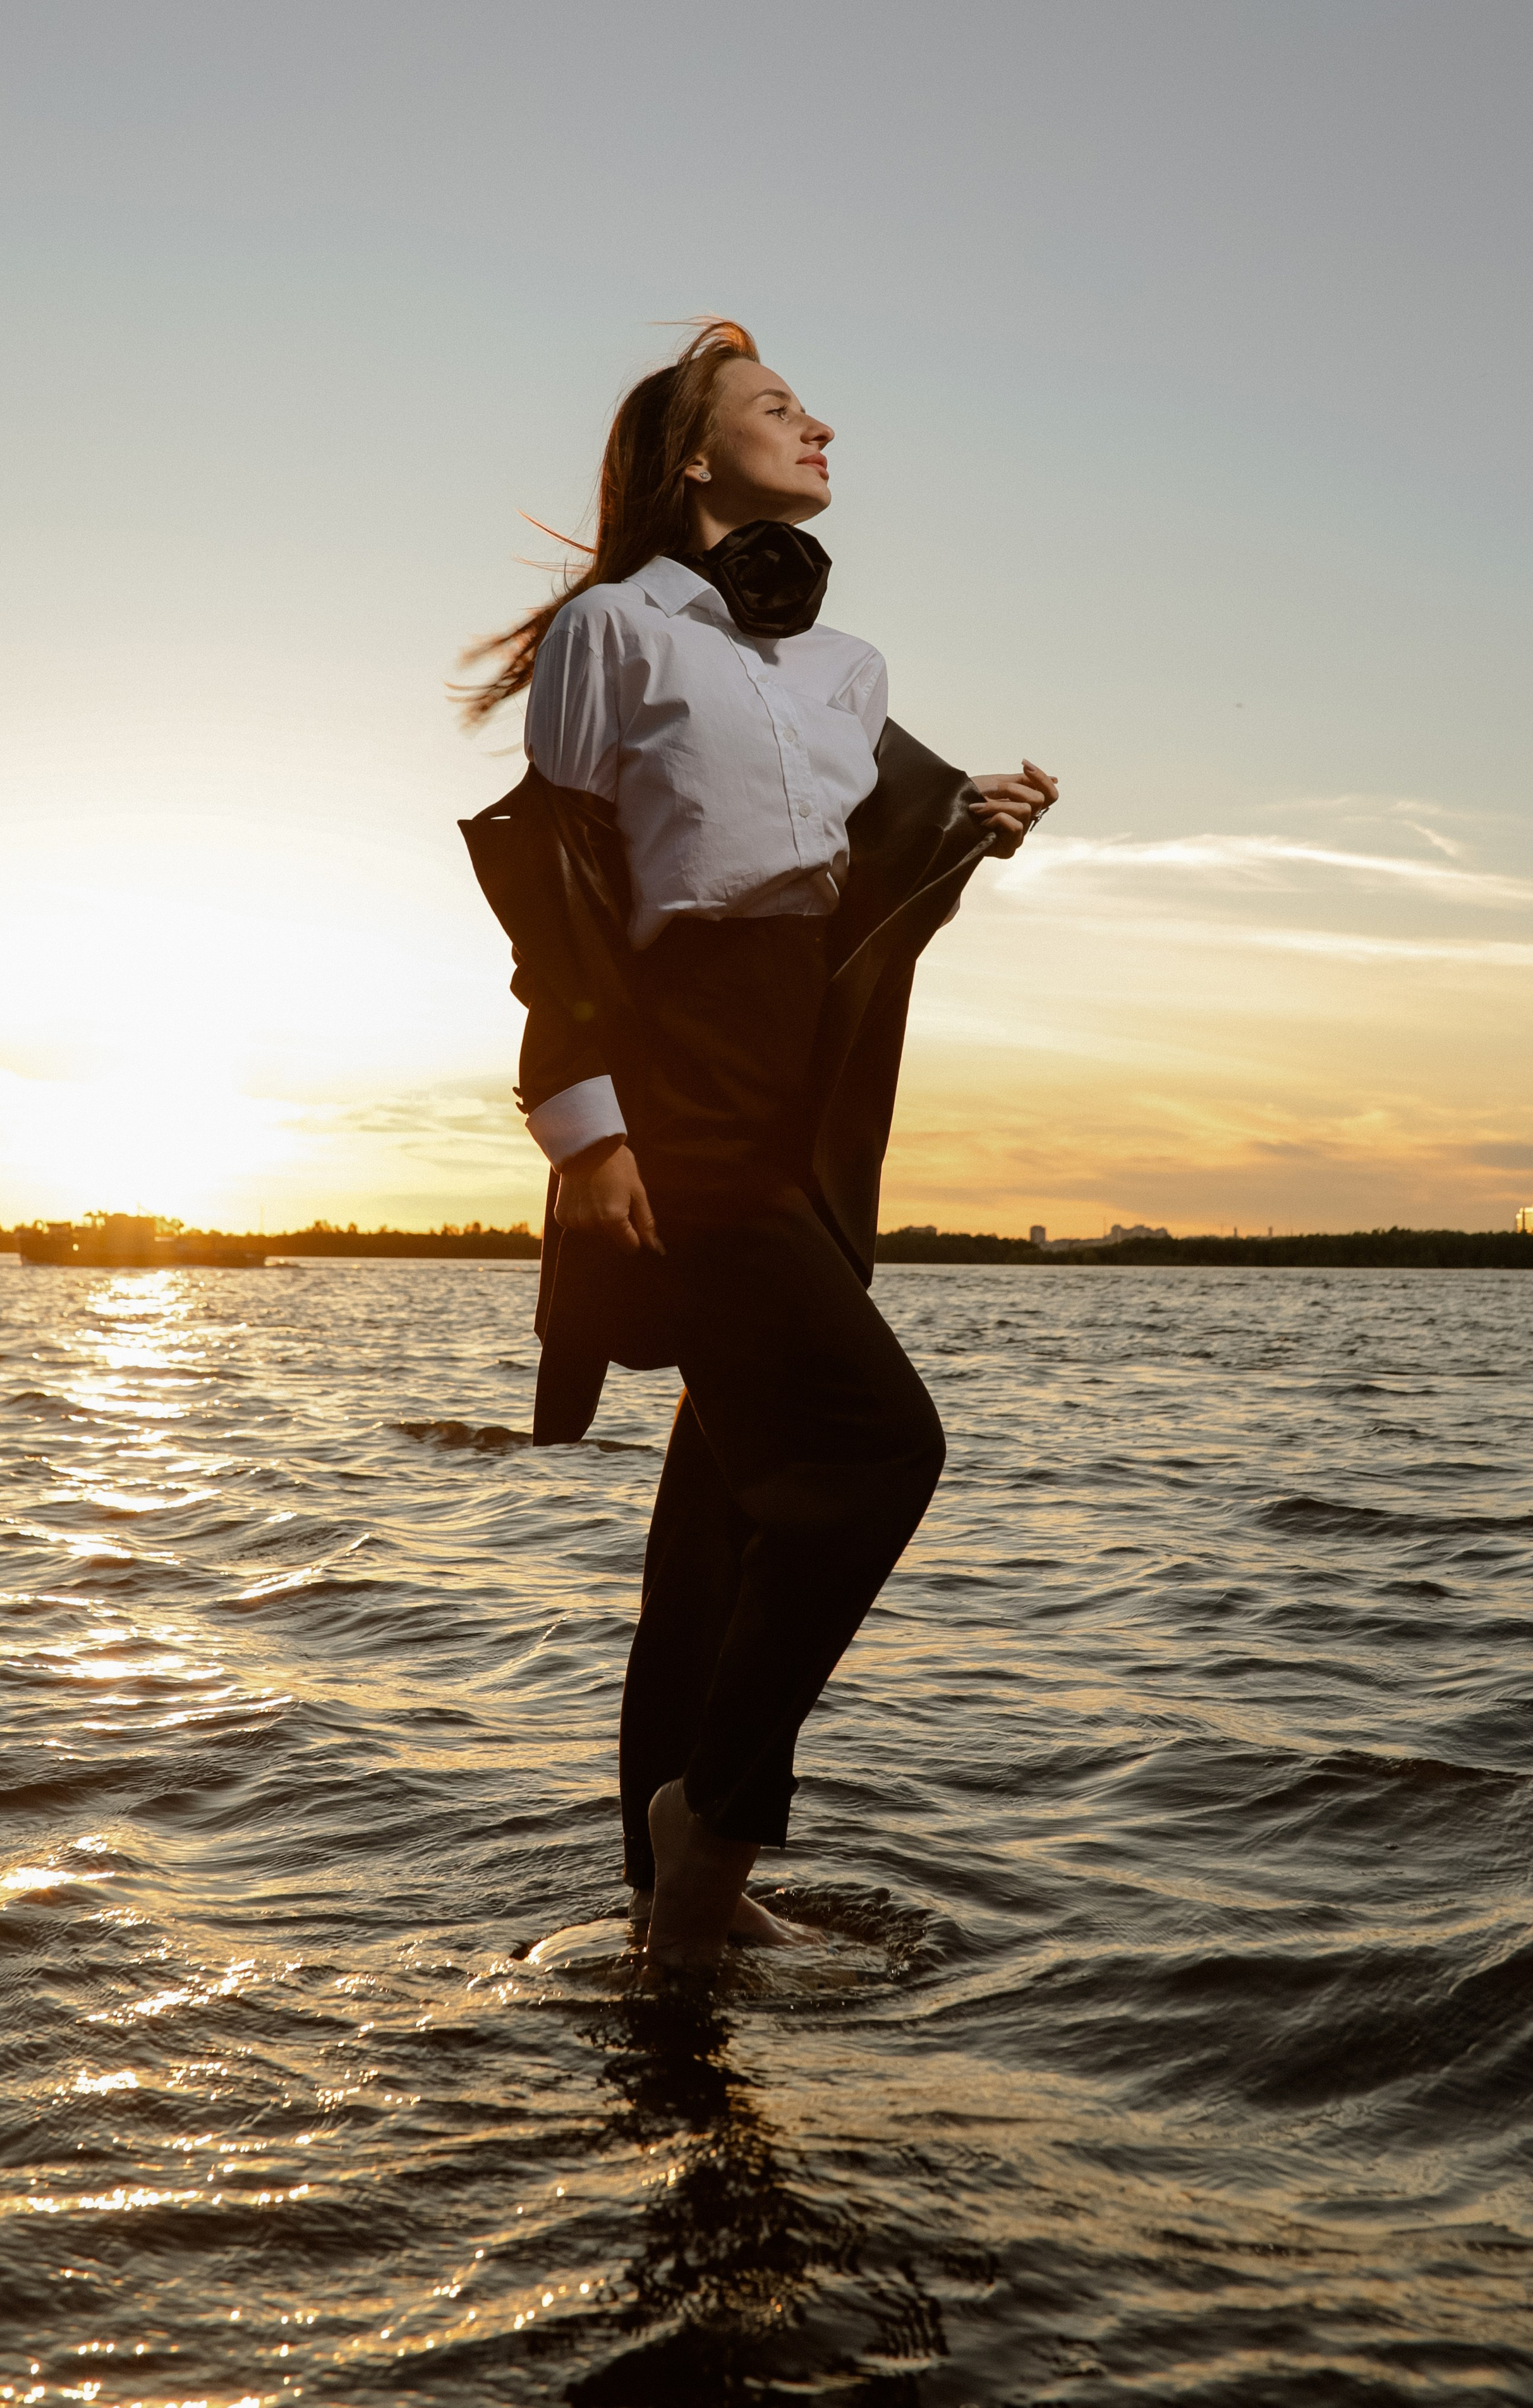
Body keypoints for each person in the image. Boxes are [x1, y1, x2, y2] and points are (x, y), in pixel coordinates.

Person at [460, 320, 1055, 1968]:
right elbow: (557, 884)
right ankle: (711, 1838)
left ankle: (670, 1917)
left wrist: (974, 834)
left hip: (813, 1078)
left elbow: (852, 889)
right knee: (878, 1454)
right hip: (682, 1076)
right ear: (691, 457)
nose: (821, 427)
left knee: (722, 1506)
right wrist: (582, 1122)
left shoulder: (847, 667)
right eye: (779, 407)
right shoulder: (614, 631)